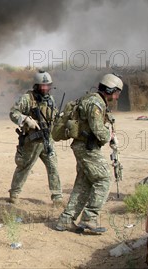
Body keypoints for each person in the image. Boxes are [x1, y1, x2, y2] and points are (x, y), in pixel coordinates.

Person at [55, 73, 123, 234]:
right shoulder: (95, 104)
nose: (118, 96)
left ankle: (65, 220)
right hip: (87, 148)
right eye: (117, 92)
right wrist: (110, 135)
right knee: (103, 179)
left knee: (83, 184)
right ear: (111, 90)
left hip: (84, 147)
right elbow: (99, 131)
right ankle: (89, 218)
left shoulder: (93, 100)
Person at [8, 70, 62, 207]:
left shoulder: (50, 100)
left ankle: (57, 197)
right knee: (24, 167)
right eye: (42, 86)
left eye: (47, 86)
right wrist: (26, 119)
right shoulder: (27, 98)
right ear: (37, 86)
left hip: (47, 140)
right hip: (31, 141)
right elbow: (13, 113)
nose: (45, 89)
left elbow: (53, 116)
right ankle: (14, 193)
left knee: (53, 167)